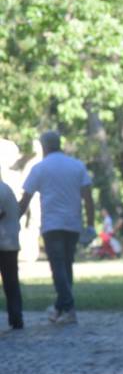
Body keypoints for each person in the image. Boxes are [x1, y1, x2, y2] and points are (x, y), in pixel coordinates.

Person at [18, 131, 95, 326]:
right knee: (66, 265)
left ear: (44, 146)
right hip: (73, 224)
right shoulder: (77, 166)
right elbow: (88, 198)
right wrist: (91, 224)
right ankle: (60, 309)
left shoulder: (40, 168)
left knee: (58, 267)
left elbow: (25, 200)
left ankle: (68, 307)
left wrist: (11, 219)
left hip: (52, 224)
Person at [0, 175, 24, 330]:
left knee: (11, 283)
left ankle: (16, 318)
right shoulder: (6, 188)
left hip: (3, 242)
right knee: (11, 283)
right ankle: (16, 318)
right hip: (9, 242)